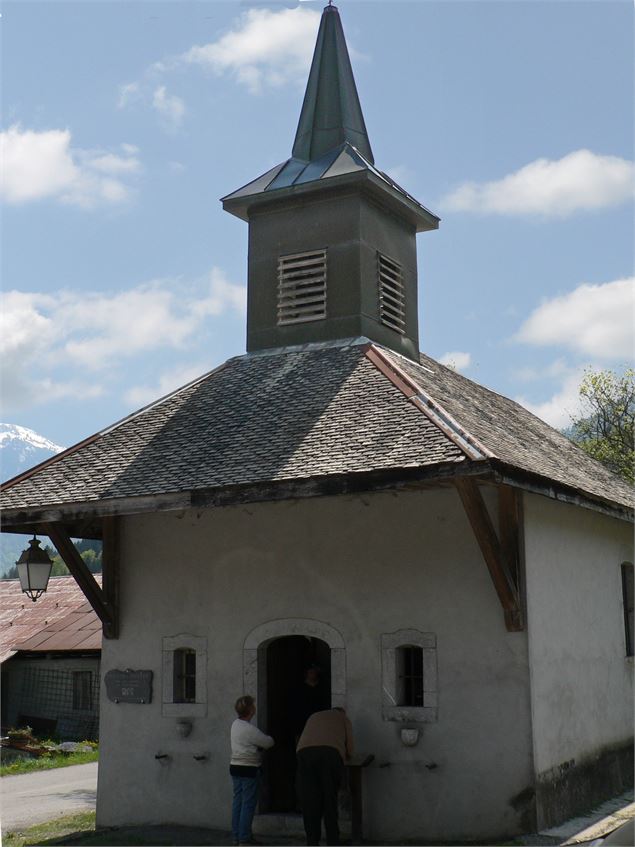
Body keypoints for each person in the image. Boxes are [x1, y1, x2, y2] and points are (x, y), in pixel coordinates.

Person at [296, 707, 354, 846]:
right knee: (329, 799)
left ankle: (312, 841)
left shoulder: (314, 715)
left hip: (304, 753)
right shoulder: (343, 718)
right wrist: (347, 758)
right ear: (342, 712)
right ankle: (332, 841)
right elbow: (350, 746)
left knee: (310, 800)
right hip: (330, 754)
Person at [230, 695, 274, 846]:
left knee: (238, 801)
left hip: (235, 766)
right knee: (248, 803)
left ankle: (236, 835)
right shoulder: (249, 729)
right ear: (250, 710)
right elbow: (268, 742)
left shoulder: (235, 724)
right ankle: (244, 837)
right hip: (248, 767)